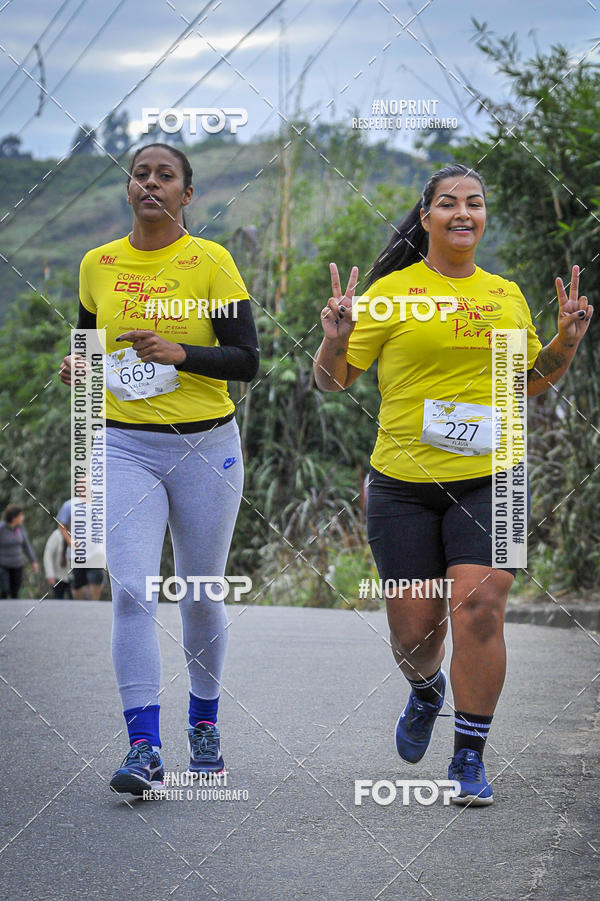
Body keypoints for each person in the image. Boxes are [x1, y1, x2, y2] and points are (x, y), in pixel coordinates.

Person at [313, 163, 593, 805]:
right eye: (448, 203)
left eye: (475, 202)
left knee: (482, 607)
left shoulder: (505, 295)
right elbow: (333, 382)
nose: (463, 212)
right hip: (401, 484)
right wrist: (335, 341)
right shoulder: (391, 295)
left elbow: (523, 382)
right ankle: (424, 689)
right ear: (426, 216)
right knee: (415, 633)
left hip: (497, 476)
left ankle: (469, 755)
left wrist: (564, 345)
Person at [59, 143, 259, 795]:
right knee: (134, 590)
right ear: (128, 188)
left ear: (186, 195)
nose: (150, 183)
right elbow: (88, 350)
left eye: (164, 176)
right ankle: (143, 745)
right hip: (123, 445)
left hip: (206, 445)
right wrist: (79, 372)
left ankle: (204, 721)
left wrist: (181, 353)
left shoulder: (211, 263)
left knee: (200, 590)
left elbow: (246, 360)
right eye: (140, 174)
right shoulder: (98, 264)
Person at [56, 496, 106, 600]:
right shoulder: (69, 505)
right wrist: (69, 541)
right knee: (78, 583)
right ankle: (79, 608)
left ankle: (95, 607)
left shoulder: (101, 504)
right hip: (77, 552)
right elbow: (61, 524)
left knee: (96, 578)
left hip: (96, 551)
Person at [0, 504, 39, 598]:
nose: (22, 517)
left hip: (18, 565)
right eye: (20, 515)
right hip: (3, 565)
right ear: (14, 517)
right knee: (4, 590)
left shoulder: (20, 528)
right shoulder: (2, 529)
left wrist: (33, 561)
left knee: (15, 592)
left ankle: (14, 612)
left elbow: (27, 546)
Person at [42, 526, 72, 599]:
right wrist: (50, 574)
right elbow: (48, 555)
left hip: (73, 576)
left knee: (75, 601)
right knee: (58, 601)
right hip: (58, 576)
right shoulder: (56, 535)